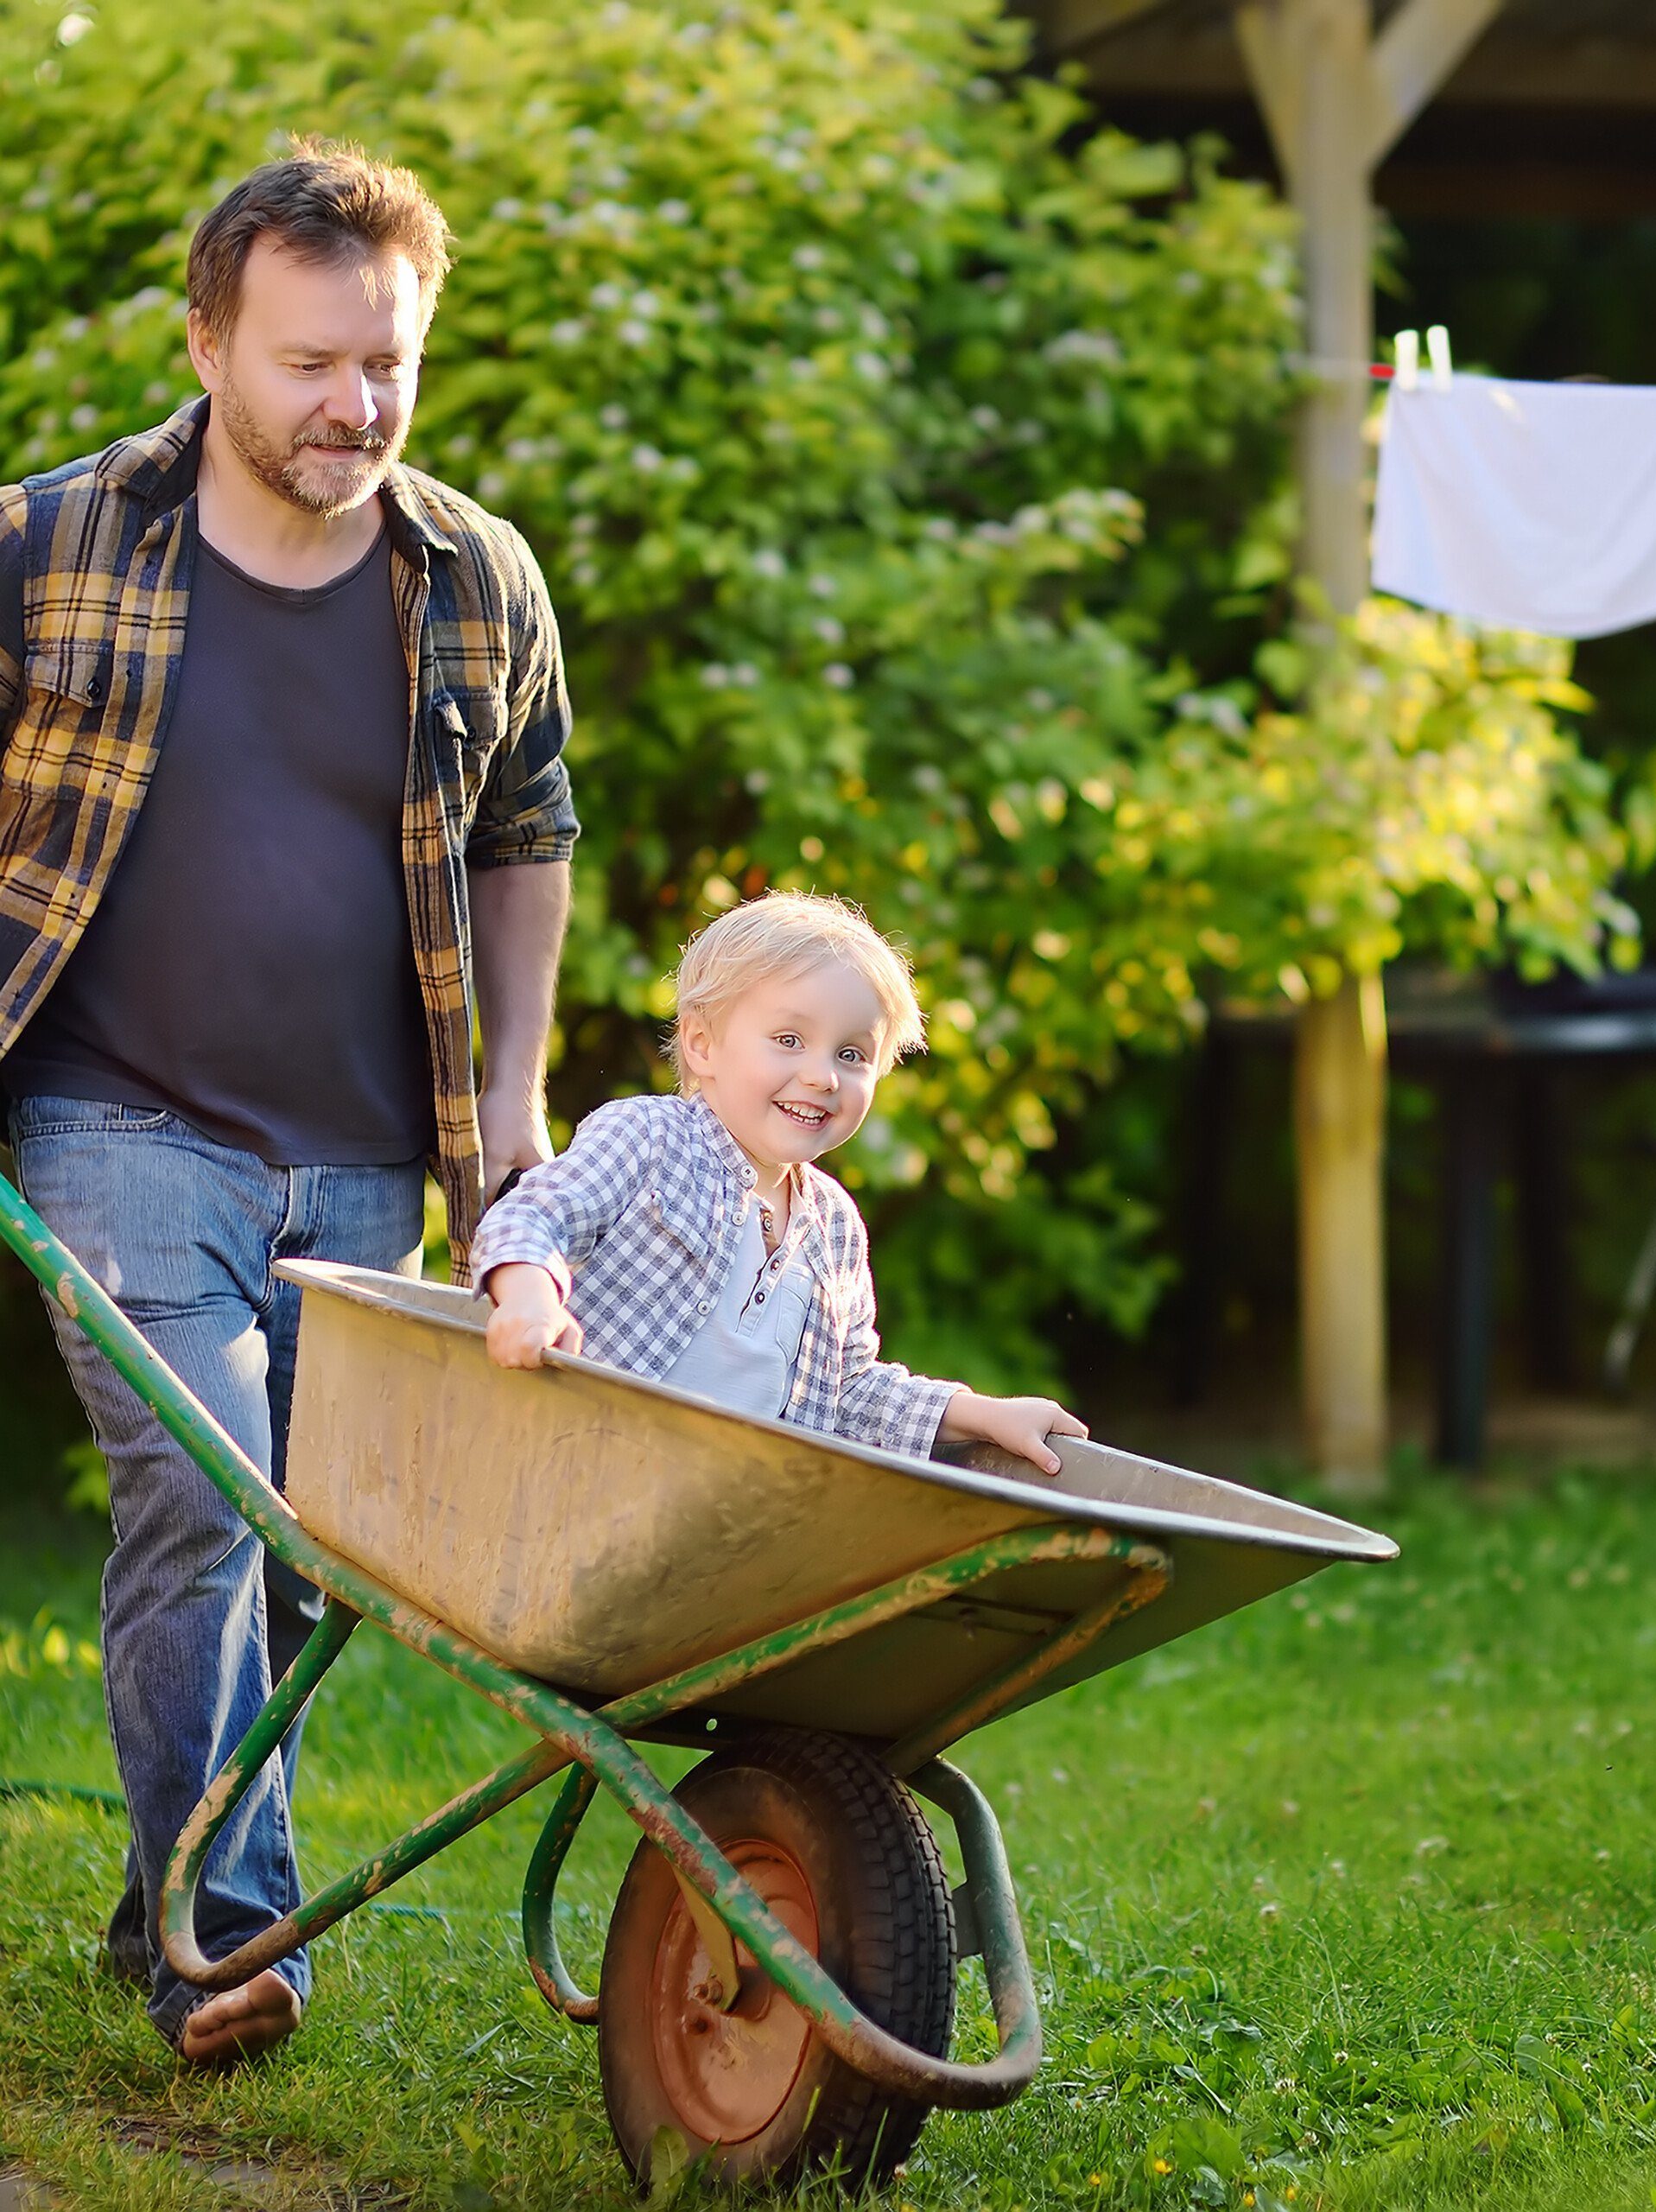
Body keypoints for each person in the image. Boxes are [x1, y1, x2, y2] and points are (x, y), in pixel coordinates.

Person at [0, 143, 576, 2065]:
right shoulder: (51, 543)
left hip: (362, 1153)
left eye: (386, 365)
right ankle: (229, 1945)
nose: (352, 405)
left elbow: (527, 831)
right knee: (203, 1496)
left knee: (305, 1547)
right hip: (111, 1117)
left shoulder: (474, 575)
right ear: (208, 341)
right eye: (311, 360)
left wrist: (510, 1111)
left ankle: (169, 1881)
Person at [473, 892, 1085, 1475]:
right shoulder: (649, 1139)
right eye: (789, 1040)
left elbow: (848, 1391)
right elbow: (533, 1218)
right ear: (702, 1044)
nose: (822, 1077)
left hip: (716, 1522)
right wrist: (530, 1299)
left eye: (852, 1055)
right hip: (577, 1465)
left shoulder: (834, 1225)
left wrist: (986, 1414)